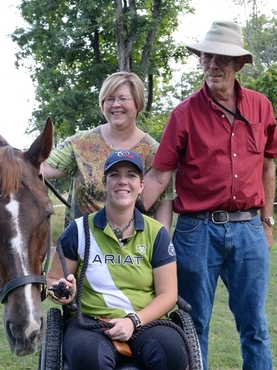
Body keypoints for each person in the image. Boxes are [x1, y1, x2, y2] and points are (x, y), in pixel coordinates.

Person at [141, 21, 277, 369]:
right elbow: (160, 175)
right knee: (193, 325)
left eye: (222, 58)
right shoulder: (184, 114)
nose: (213, 64)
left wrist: (268, 223)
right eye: (206, 57)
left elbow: (267, 168)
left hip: (249, 230)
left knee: (255, 327)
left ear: (238, 65)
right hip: (196, 232)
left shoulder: (261, 108)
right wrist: (116, 216)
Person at [46, 149, 188, 370]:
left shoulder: (156, 233)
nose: (123, 181)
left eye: (131, 175)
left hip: (145, 322)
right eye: (115, 175)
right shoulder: (78, 230)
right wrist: (63, 290)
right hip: (90, 323)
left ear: (141, 185)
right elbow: (53, 278)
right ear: (104, 184)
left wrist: (133, 321)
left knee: (172, 354)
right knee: (90, 359)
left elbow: (168, 294)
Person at [40, 72, 174, 231]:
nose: (115, 104)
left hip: (133, 249)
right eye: (109, 99)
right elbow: (43, 168)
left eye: (123, 98)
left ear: (138, 102)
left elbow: (163, 204)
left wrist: (163, 247)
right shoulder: (81, 143)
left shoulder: (154, 152)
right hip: (82, 246)